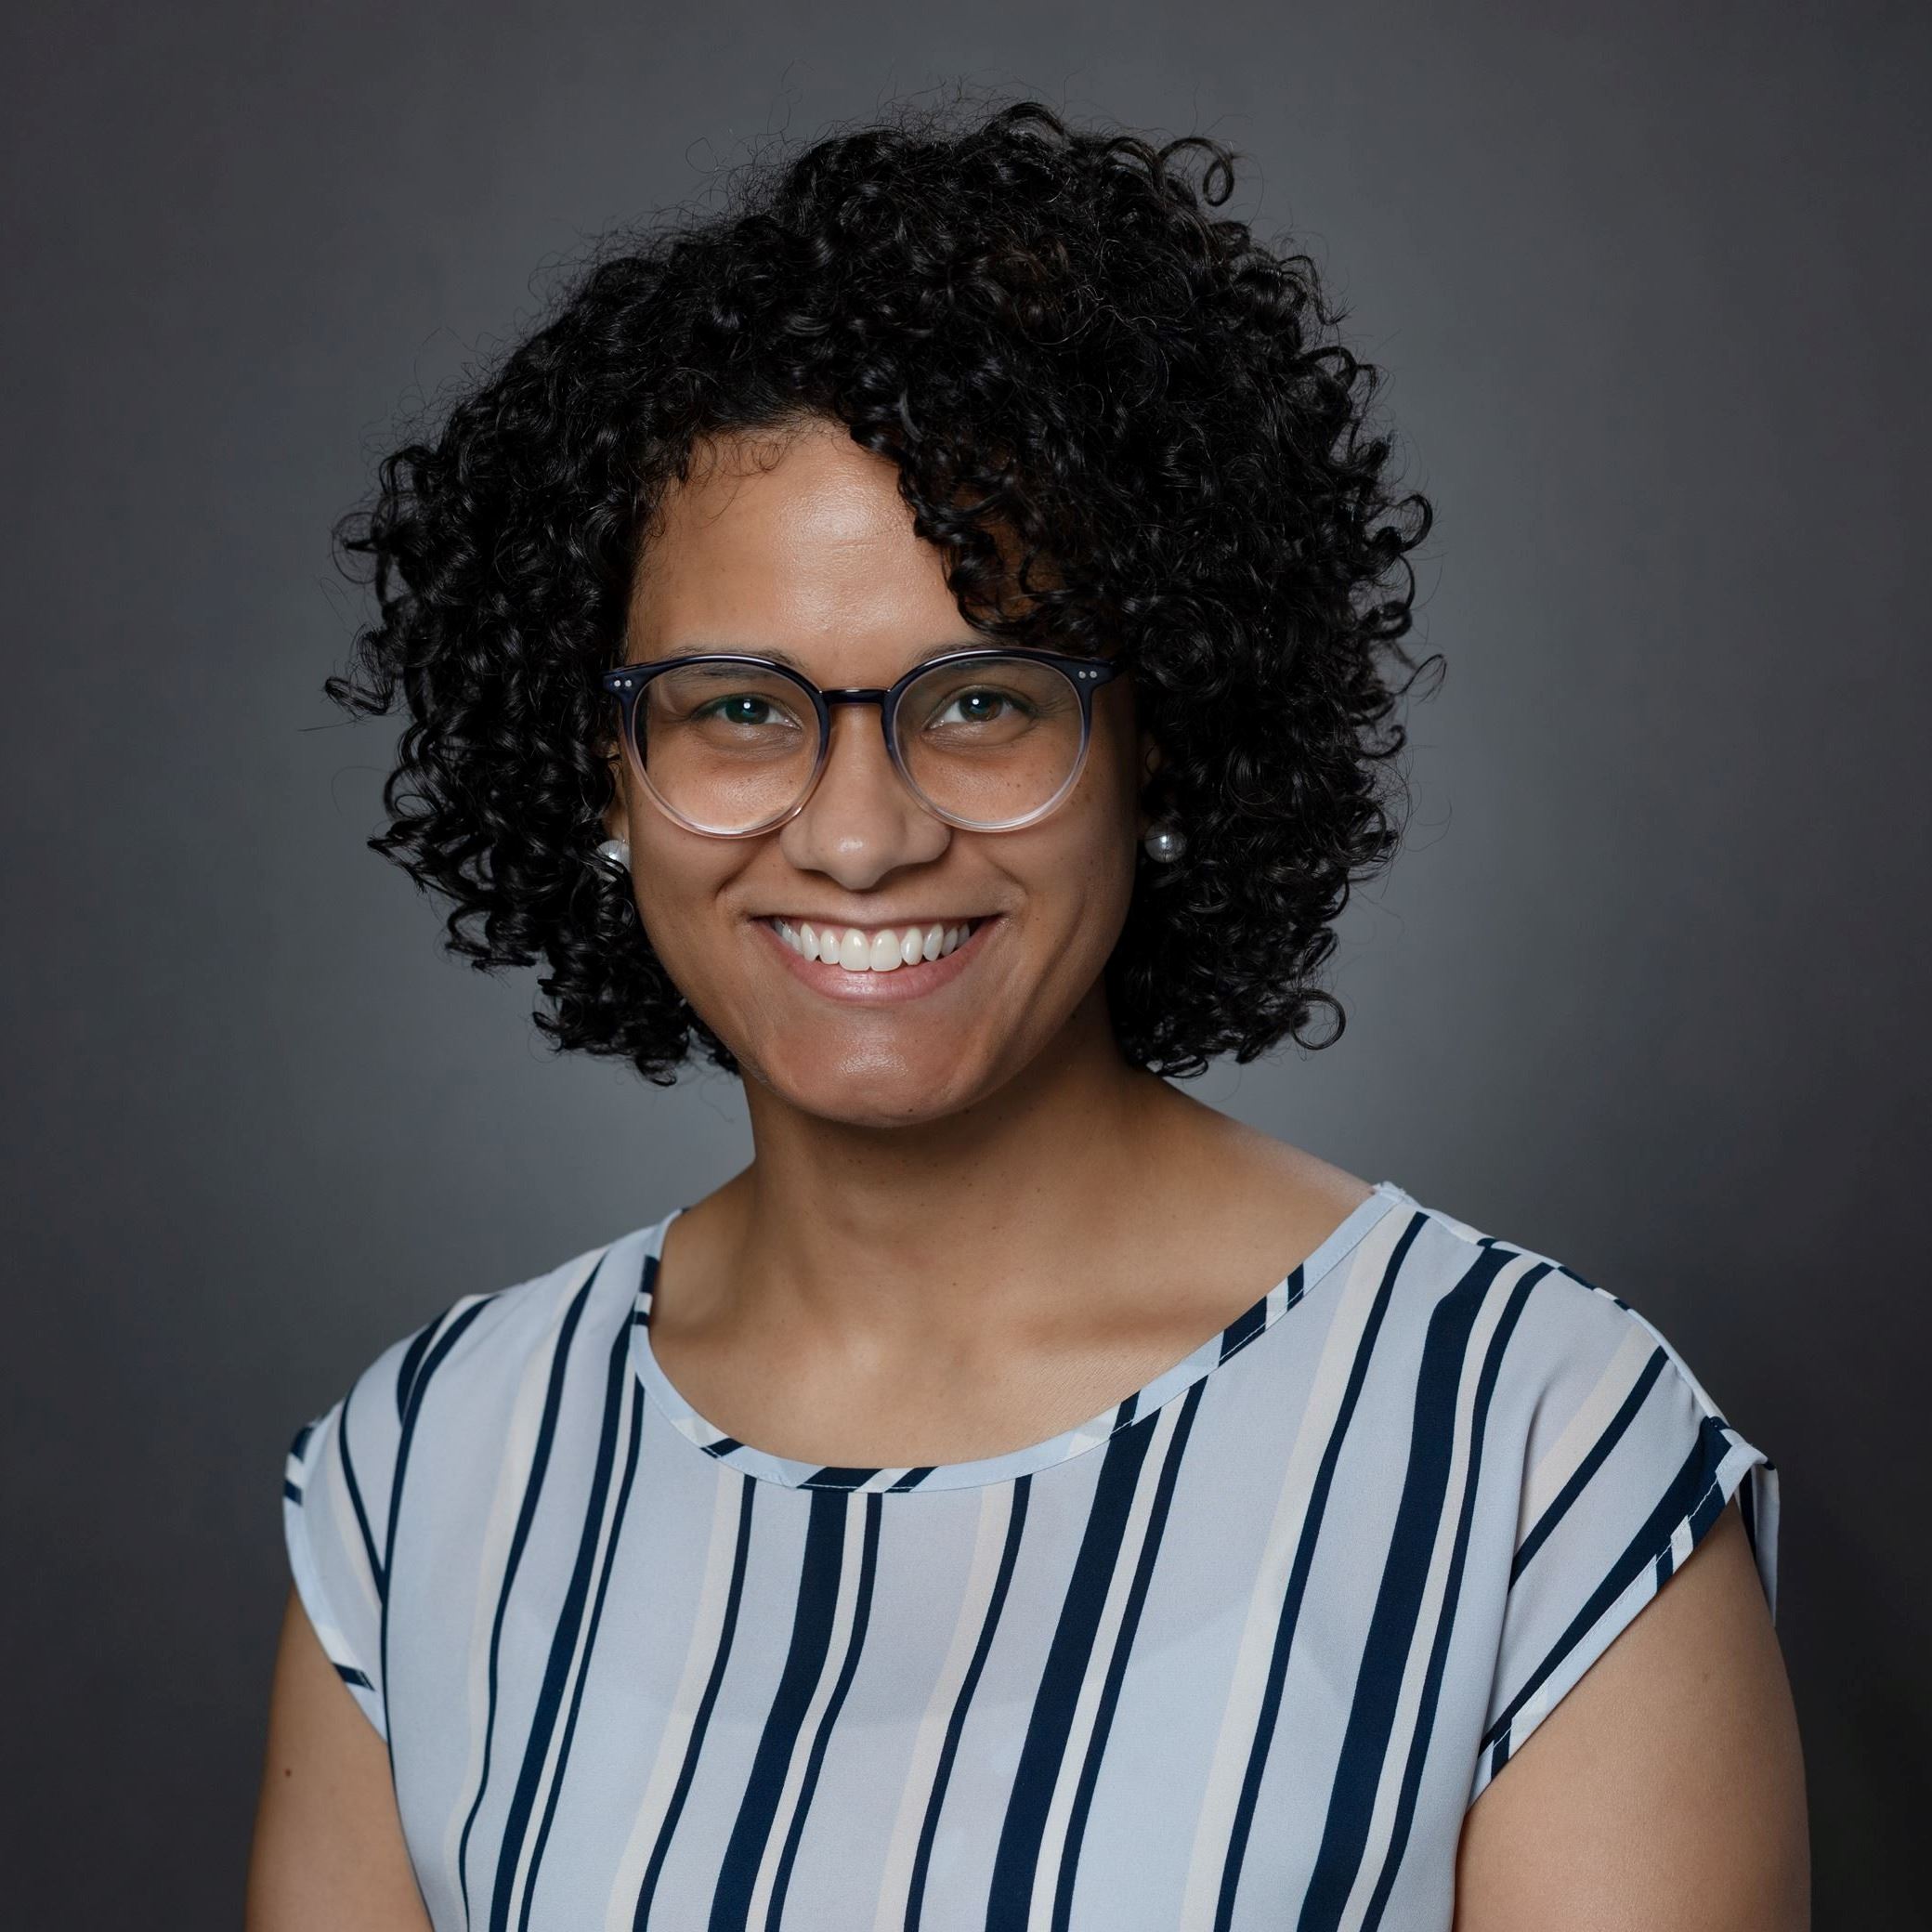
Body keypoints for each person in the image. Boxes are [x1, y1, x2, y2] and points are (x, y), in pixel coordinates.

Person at [245, 97, 1807, 1931]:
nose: (853, 831)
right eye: (736, 707)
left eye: (979, 700)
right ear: (604, 773)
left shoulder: (1533, 1452)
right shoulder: (428, 1468)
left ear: (1159, 737)